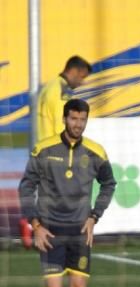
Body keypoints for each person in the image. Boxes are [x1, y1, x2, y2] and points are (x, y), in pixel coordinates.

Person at [18, 98, 116, 287]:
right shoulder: (44, 149)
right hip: (50, 230)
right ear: (64, 119)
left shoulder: (96, 152)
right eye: (73, 119)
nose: (77, 124)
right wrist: (35, 225)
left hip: (79, 232)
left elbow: (109, 184)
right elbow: (26, 187)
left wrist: (94, 216)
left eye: (82, 120)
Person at [19, 56, 92, 248]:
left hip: (41, 147)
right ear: (74, 71)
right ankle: (42, 234)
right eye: (82, 77)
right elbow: (66, 125)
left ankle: (29, 230)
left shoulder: (48, 88)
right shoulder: (60, 93)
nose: (81, 82)